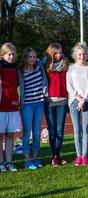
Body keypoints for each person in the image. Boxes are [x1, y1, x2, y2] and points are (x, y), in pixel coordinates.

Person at [18, 47, 48, 169]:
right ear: (25, 57)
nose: (32, 59)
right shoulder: (20, 70)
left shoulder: (39, 65)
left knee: (36, 132)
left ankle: (35, 158)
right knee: (27, 133)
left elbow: (48, 58)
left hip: (39, 103)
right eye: (30, 57)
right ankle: (27, 160)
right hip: (27, 105)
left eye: (34, 57)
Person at [43, 43, 69, 167]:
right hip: (49, 101)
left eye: (60, 52)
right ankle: (55, 155)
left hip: (62, 100)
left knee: (60, 130)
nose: (59, 55)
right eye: (56, 53)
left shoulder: (66, 65)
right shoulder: (45, 66)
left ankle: (56, 156)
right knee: (52, 131)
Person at [67, 42, 88, 166]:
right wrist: (77, 98)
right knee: (77, 129)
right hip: (73, 101)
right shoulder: (71, 68)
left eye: (84, 54)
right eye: (80, 54)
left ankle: (84, 155)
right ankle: (78, 156)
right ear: (75, 55)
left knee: (85, 129)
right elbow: (69, 86)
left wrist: (83, 100)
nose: (82, 56)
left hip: (86, 101)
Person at [0, 43, 21, 172]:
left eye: (13, 54)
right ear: (3, 55)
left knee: (10, 135)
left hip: (13, 105)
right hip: (1, 106)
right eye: (9, 54)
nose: (12, 57)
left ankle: (9, 162)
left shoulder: (16, 68)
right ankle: (1, 163)